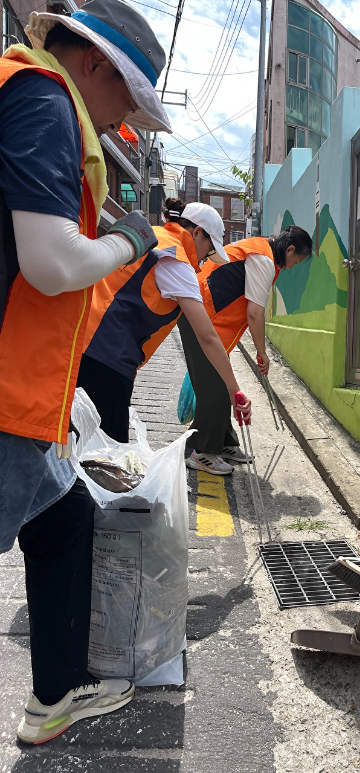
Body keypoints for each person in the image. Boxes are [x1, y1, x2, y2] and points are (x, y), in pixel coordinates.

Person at [0, 0, 172, 744]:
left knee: (64, 514)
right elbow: (52, 262)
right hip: (4, 394)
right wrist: (131, 238)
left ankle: (55, 697)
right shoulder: (43, 100)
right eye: (126, 100)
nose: (121, 122)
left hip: (29, 385)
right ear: (96, 65)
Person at [77, 198, 251, 442]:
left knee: (73, 443)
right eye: (210, 250)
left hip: (77, 340)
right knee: (104, 456)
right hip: (108, 360)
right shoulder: (176, 261)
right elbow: (207, 336)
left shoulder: (151, 235)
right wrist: (234, 390)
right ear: (198, 232)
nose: (206, 259)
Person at [179, 224, 313, 475]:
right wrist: (262, 353)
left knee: (217, 382)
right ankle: (203, 453)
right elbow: (255, 312)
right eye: (298, 259)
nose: (295, 265)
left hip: (208, 317)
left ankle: (224, 442)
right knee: (217, 386)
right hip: (199, 315)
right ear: (290, 249)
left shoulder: (262, 252)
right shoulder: (263, 258)